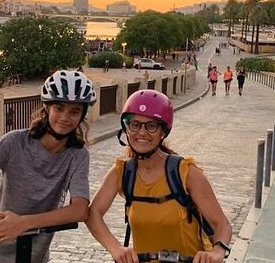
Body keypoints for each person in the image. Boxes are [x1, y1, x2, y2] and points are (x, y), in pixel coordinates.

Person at [0, 70, 96, 263]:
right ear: (47, 108)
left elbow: (80, 210)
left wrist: (22, 224)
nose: (65, 117)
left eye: (74, 111)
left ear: (82, 114)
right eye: (59, 108)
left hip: (33, 256)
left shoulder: (77, 156)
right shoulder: (15, 142)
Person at [86, 90, 232, 263]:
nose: (142, 132)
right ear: (126, 128)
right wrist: (115, 247)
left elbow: (222, 224)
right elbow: (93, 213)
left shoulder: (185, 172)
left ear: (163, 131)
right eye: (134, 124)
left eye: (151, 126)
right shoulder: (122, 172)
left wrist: (217, 251)